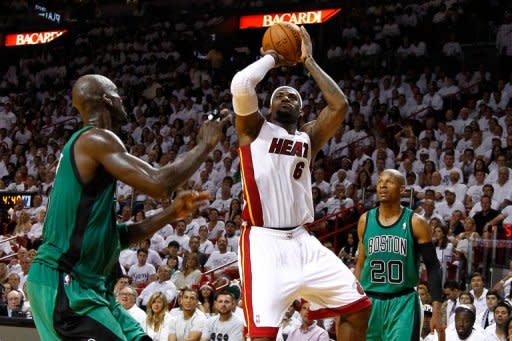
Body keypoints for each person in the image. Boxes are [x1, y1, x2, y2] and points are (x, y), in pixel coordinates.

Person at [26, 74, 226, 340]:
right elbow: (159, 184)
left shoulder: (89, 156)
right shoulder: (96, 139)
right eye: (117, 94)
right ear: (108, 100)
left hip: (90, 288)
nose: (123, 101)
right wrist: (205, 145)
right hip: (64, 281)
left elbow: (118, 237)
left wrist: (170, 214)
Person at [230, 26, 371, 340]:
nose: (286, 97)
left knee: (358, 307)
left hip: (303, 241)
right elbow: (241, 83)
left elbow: (340, 105)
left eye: (293, 96)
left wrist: (309, 62)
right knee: (262, 335)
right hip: (263, 243)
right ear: (267, 108)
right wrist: (272, 58)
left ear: (302, 109)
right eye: (279, 95)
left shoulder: (309, 137)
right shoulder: (253, 130)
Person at [355, 169, 445, 341]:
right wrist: (352, 300)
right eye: (380, 181)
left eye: (389, 182)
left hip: (403, 303)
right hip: (369, 302)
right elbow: (360, 264)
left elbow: (433, 267)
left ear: (402, 189)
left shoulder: (416, 222)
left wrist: (437, 310)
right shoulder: (365, 220)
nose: (382, 185)